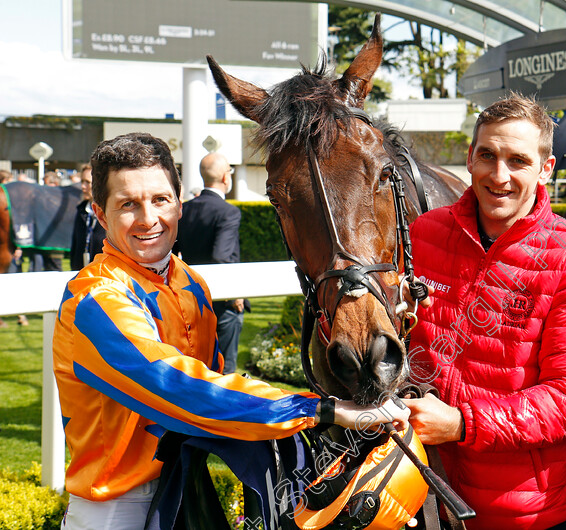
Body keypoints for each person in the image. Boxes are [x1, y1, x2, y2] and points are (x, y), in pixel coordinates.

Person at [53, 133, 409, 529]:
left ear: (180, 205)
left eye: (160, 200)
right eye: (128, 205)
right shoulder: (95, 298)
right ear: (101, 215)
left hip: (185, 492)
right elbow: (172, 385)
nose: (148, 218)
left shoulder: (189, 283)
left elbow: (217, 385)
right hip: (116, 509)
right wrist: (316, 410)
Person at [404, 93, 566, 530]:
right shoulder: (424, 233)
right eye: (487, 155)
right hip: (424, 495)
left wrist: (462, 424)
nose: (499, 175)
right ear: (470, 159)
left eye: (518, 160)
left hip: (524, 515)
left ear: (545, 169)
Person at [176, 152, 247, 375]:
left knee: (197, 367)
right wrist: (235, 293)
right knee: (225, 370)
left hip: (189, 297)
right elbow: (222, 257)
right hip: (223, 302)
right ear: (226, 178)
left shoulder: (184, 210)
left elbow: (172, 251)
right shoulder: (228, 212)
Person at [69, 163, 106, 270]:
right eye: (82, 182)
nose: (83, 187)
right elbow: (75, 246)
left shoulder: (110, 214)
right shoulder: (81, 211)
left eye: (87, 182)